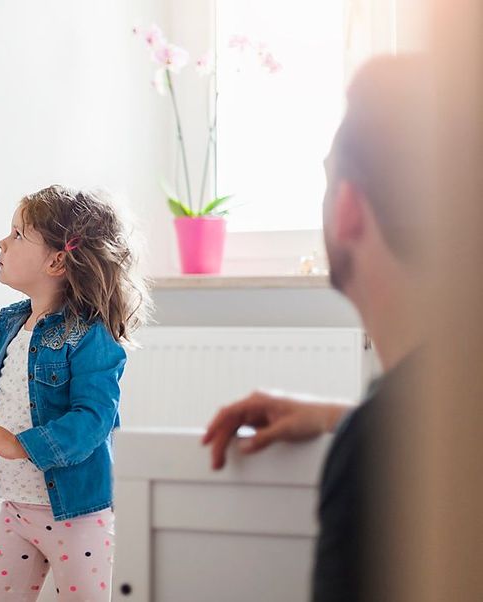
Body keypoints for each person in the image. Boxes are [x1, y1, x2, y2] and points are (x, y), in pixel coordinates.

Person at [201, 55, 431, 602]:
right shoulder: (441, 406)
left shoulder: (376, 451)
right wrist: (333, 416)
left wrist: (359, 429)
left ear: (349, 207)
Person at [0, 185, 151, 601]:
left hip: (77, 516)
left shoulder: (90, 337)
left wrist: (20, 445)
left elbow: (92, 422)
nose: (2, 242)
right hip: (17, 508)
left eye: (18, 234)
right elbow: (4, 404)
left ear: (57, 260)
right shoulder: (12, 323)